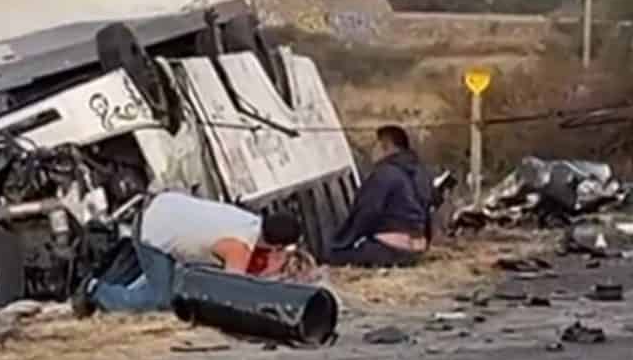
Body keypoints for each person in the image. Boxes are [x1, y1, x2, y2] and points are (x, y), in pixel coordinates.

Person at [76, 191, 303, 314]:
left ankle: (114, 295)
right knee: (160, 298)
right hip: (152, 230)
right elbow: (232, 296)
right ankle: (95, 291)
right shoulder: (239, 248)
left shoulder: (249, 222)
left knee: (177, 285)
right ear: (277, 247)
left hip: (167, 205)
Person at [326, 125, 433, 268]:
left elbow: (366, 212)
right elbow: (429, 211)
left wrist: (341, 242)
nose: (372, 150)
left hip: (390, 250)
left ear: (386, 146)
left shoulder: (384, 174)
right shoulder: (421, 173)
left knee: (332, 257)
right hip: (417, 248)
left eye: (375, 144)